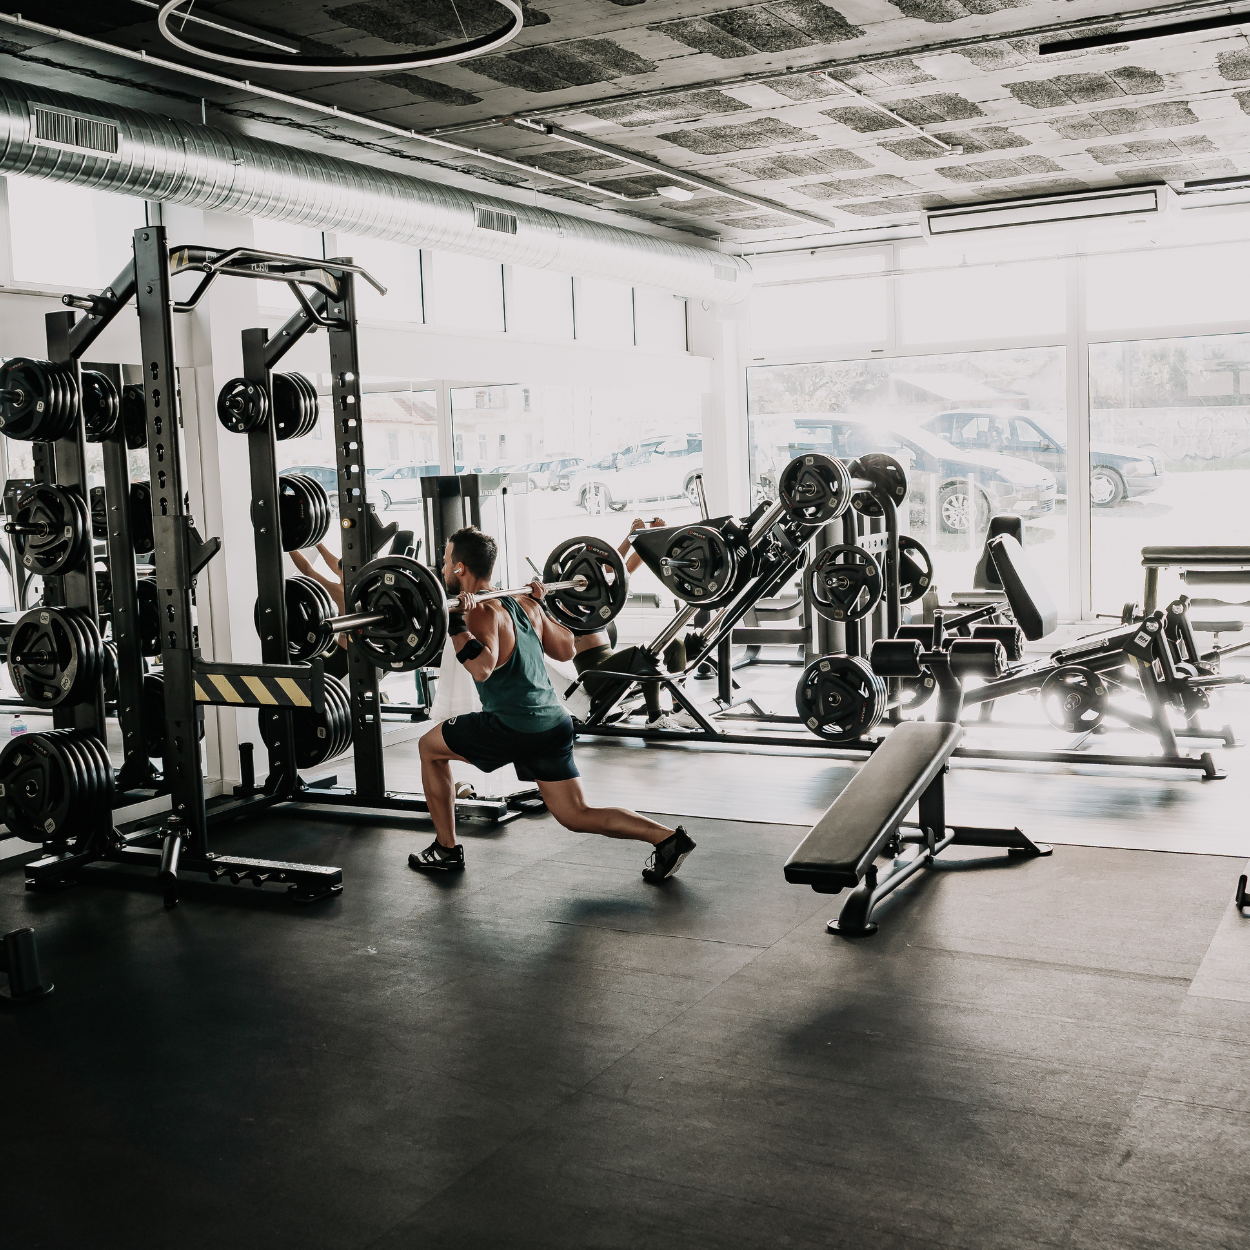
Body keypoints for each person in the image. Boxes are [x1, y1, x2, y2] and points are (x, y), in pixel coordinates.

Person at [410, 525, 696, 882]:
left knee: (428, 747)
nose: (440, 567)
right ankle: (668, 839)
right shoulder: (523, 602)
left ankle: (446, 850)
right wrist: (543, 606)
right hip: (553, 723)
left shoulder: (480, 612)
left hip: (512, 725)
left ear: (460, 568)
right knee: (576, 814)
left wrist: (454, 624)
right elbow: (566, 648)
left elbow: (482, 669)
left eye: (445, 560)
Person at [572, 517, 683, 729]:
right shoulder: (569, 601)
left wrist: (648, 536)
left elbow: (625, 569)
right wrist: (630, 537)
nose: (597, 573)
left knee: (674, 645)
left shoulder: (597, 594)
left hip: (610, 664)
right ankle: (655, 718)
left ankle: (680, 709)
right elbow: (612, 564)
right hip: (595, 676)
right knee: (645, 654)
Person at [289, 542, 350, 678]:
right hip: (346, 650)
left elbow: (308, 571)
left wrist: (288, 546)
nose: (336, 569)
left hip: (339, 663)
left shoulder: (342, 594)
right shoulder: (355, 581)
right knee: (316, 638)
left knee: (299, 650)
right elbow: (336, 564)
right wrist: (318, 543)